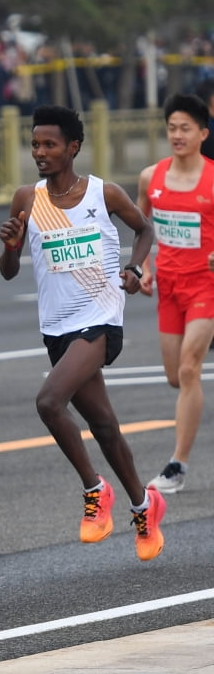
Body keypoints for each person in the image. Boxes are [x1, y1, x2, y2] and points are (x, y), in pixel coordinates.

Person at [0, 105, 164, 561]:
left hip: (101, 318)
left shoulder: (102, 193)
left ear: (73, 147)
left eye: (49, 144)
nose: (40, 152)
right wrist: (10, 247)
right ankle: (144, 505)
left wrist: (134, 268)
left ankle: (96, 492)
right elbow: (9, 272)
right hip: (57, 327)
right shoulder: (27, 199)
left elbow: (144, 228)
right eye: (35, 144)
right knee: (105, 426)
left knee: (49, 402)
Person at [135, 93, 214, 494]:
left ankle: (176, 465)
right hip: (169, 286)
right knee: (175, 377)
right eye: (171, 128)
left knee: (188, 370)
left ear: (203, 133)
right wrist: (144, 266)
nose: (177, 135)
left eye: (185, 128)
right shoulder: (152, 177)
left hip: (206, 284)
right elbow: (142, 225)